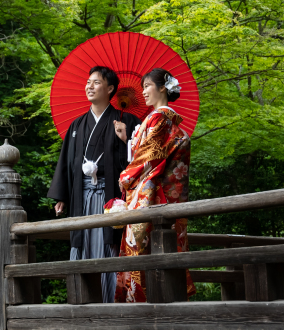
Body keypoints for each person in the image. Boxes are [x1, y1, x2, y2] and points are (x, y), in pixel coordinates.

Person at [47, 65, 141, 303]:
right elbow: (67, 163)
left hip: (112, 199)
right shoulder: (77, 126)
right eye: (88, 82)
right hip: (81, 196)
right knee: (82, 244)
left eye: (96, 82)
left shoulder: (126, 121)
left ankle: (110, 303)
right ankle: (81, 304)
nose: (89, 86)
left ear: (110, 89)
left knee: (108, 244)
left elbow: (140, 160)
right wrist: (63, 196)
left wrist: (125, 138)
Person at [114, 68, 196, 303]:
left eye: (147, 86)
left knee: (142, 249)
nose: (143, 92)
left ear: (162, 88)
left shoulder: (159, 118)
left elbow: (150, 158)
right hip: (167, 198)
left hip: (152, 196)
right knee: (167, 250)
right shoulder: (162, 119)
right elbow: (150, 152)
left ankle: (143, 306)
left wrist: (126, 176)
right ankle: (169, 301)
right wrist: (127, 139)